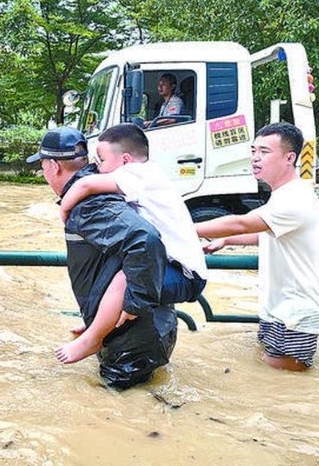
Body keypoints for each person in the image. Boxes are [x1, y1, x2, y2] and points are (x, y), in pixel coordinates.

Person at [27, 126, 177, 389]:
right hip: (140, 331)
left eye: (42, 166)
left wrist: (134, 305)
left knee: (123, 420)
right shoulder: (95, 191)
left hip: (133, 340)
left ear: (53, 166)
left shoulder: (90, 204)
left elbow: (146, 240)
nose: (43, 173)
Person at [55, 123, 207, 363]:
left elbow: (85, 184)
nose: (100, 168)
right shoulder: (151, 175)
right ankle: (100, 325)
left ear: (125, 159)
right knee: (119, 268)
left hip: (185, 276)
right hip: (174, 267)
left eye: (102, 160)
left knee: (126, 277)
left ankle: (94, 337)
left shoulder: (138, 173)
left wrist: (65, 210)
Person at [195, 122, 319, 372]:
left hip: (294, 313)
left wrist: (182, 229)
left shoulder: (295, 198)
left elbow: (242, 223)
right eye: (253, 151)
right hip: (277, 307)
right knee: (270, 378)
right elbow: (264, 232)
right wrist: (226, 240)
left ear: (290, 157)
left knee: (283, 389)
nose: (255, 158)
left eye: (265, 152)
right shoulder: (283, 194)